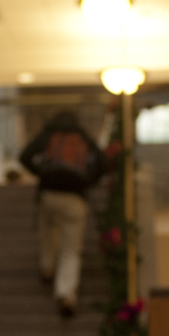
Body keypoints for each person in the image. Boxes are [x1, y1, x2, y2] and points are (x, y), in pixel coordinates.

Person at [17, 110, 108, 319]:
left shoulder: (49, 134)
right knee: (71, 250)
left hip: (49, 193)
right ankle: (66, 294)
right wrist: (86, 181)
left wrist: (43, 174)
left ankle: (47, 267)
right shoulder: (82, 136)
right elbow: (103, 164)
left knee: (49, 228)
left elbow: (24, 156)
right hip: (75, 197)